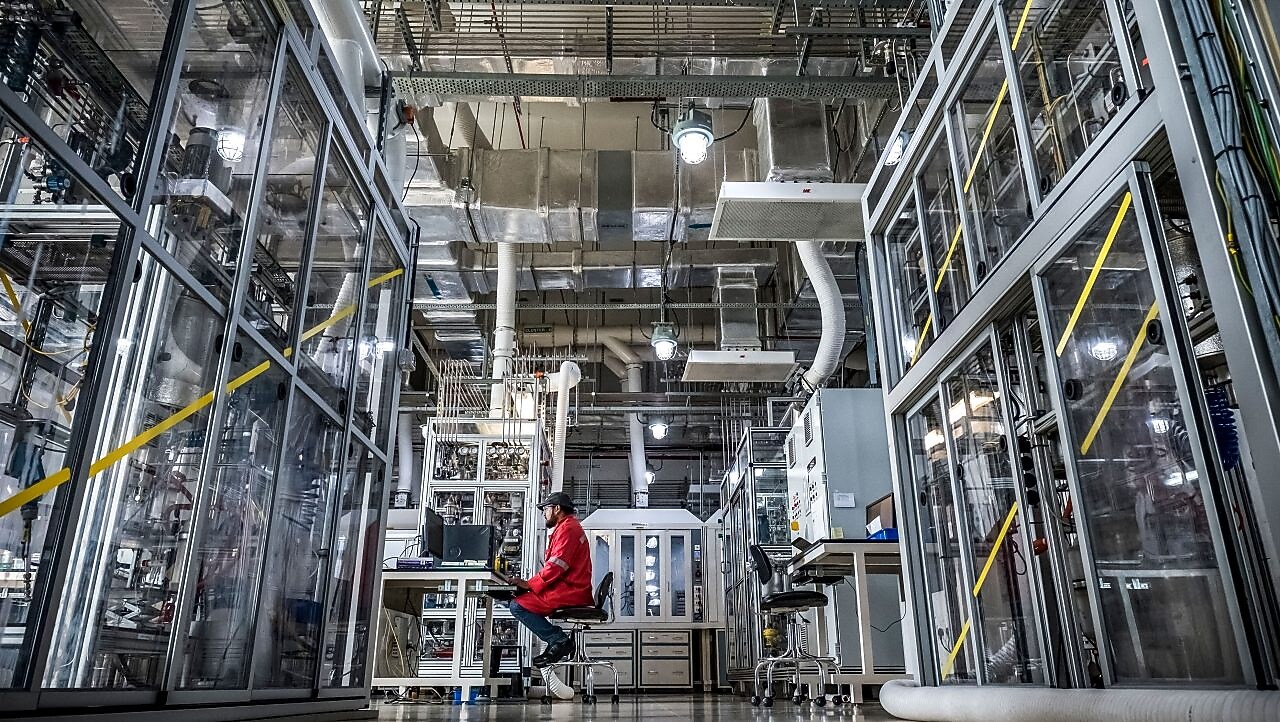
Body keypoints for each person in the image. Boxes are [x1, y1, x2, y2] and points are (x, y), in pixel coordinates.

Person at [508, 492, 593, 667]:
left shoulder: (568, 529)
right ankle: (557, 640)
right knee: (518, 601)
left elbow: (556, 566)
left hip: (570, 590)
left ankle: (559, 640)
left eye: (546, 509)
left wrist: (529, 584)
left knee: (517, 606)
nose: (544, 513)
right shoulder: (567, 527)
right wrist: (530, 585)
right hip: (569, 588)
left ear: (557, 509)